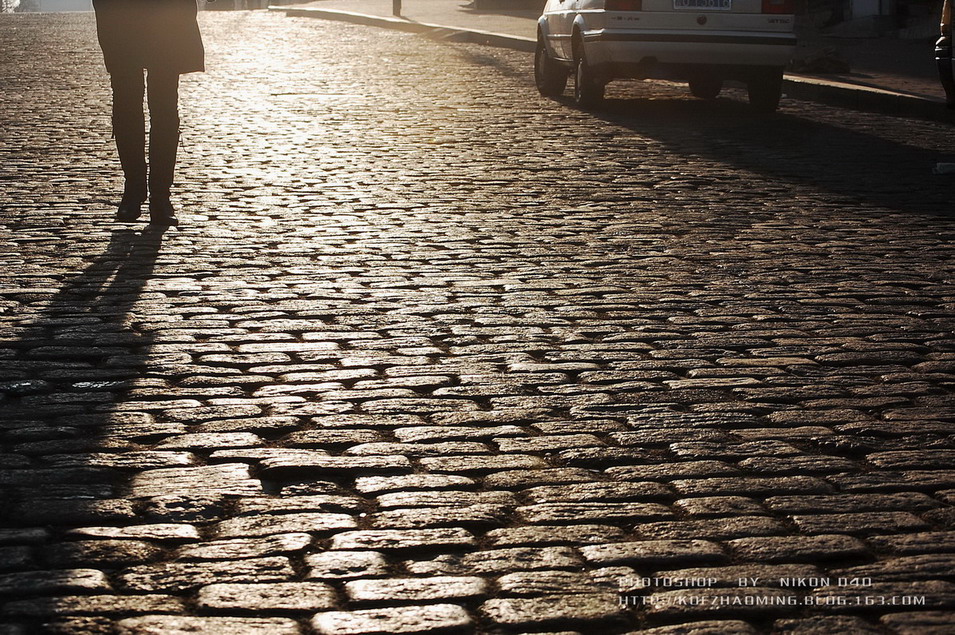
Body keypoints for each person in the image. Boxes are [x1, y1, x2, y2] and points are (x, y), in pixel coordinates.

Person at [93, 0, 206, 226]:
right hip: (120, 16)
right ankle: (134, 188)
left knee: (164, 106)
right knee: (126, 104)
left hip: (167, 15)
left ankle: (160, 196)